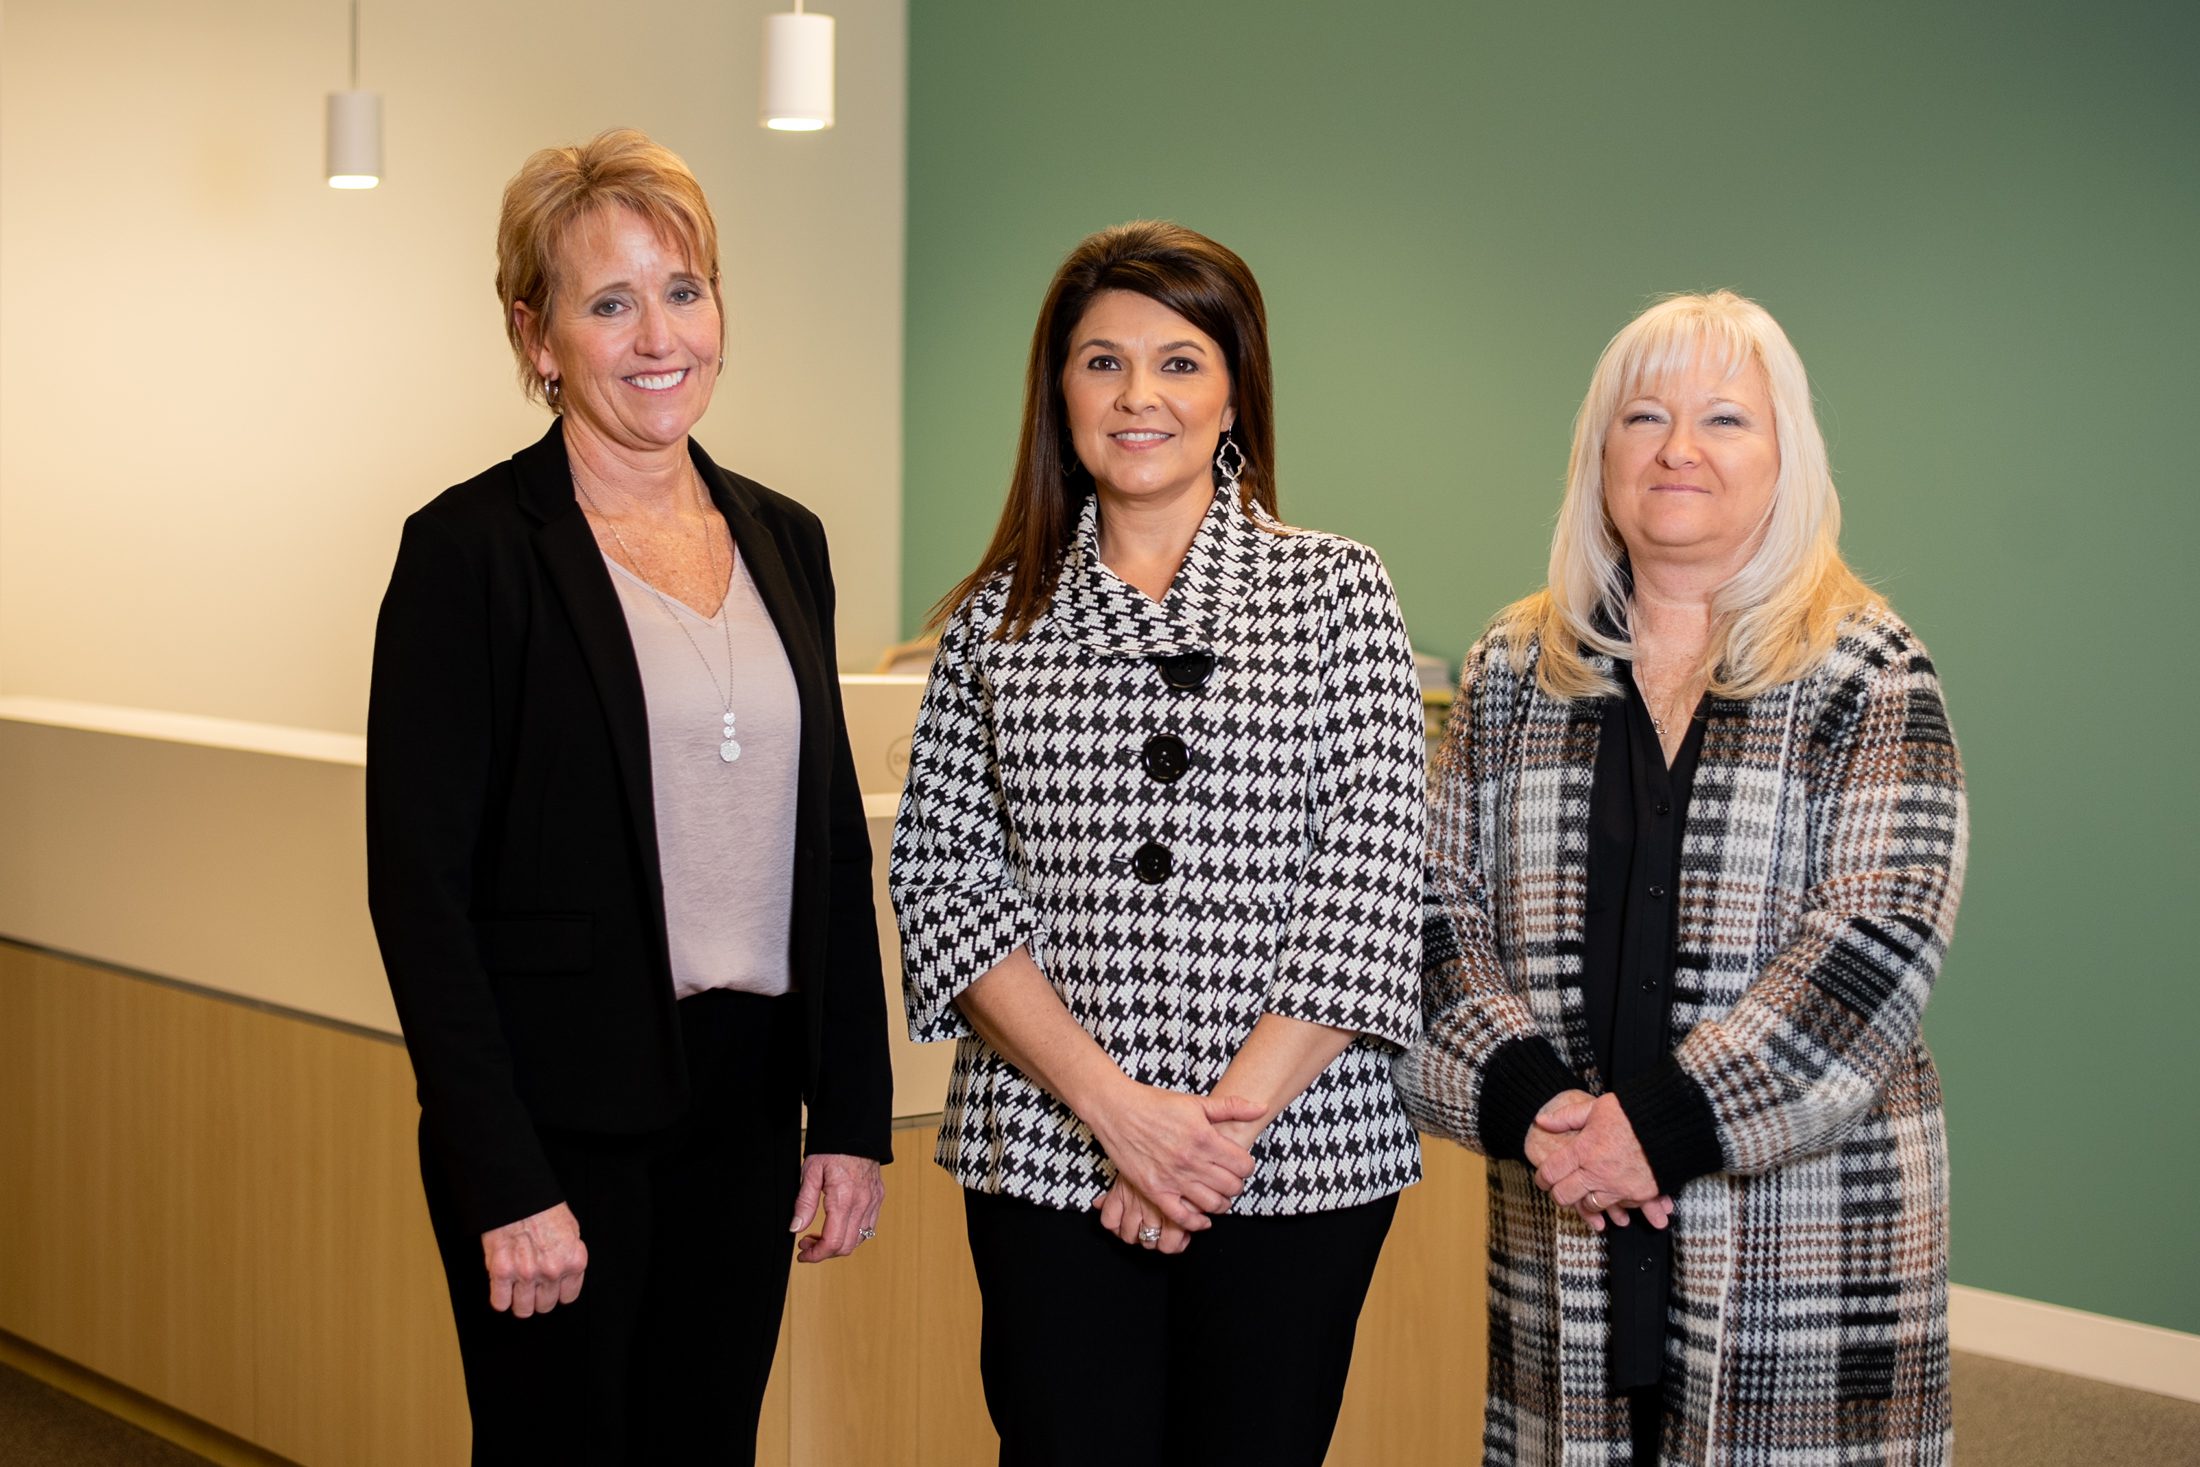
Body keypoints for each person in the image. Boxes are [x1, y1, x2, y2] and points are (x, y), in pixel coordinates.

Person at [365, 128, 891, 1465]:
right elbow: (418, 893)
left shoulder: (786, 536)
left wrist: (849, 1114)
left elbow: (828, 841)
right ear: (536, 334)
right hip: (557, 1117)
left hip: (745, 1103)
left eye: (683, 289)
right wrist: (503, 1174)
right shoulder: (470, 552)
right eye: (609, 301)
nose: (658, 335)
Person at [1395, 290, 1968, 1464]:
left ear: (1784, 457)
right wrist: (1540, 1110)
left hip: (1801, 1230)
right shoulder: (1516, 665)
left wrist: (1652, 1131)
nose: (1677, 451)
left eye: (1723, 420)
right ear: (1598, 453)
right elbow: (1425, 909)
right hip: (1562, 1208)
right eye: (1642, 417)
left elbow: (1876, 944)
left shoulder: (1866, 667)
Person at [889, 220, 1426, 1467]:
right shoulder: (994, 622)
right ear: (1058, 390)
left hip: (1293, 1158)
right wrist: (1118, 1117)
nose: (1140, 397)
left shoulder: (1340, 592)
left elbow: (1368, 884)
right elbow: (943, 885)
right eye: (1101, 362)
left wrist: (1200, 1141)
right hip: (1046, 1152)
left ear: (1235, 389)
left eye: (1180, 362)